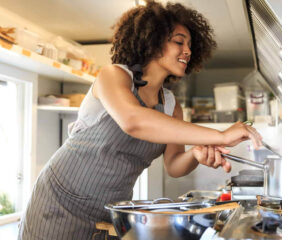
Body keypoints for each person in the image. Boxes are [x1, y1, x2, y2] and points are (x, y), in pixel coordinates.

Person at [18, 1, 262, 239]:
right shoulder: (113, 76)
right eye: (179, 42)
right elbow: (134, 120)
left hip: (111, 210)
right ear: (153, 41)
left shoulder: (171, 105)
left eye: (190, 45)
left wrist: (195, 154)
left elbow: (174, 165)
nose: (187, 51)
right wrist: (220, 135)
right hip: (59, 202)